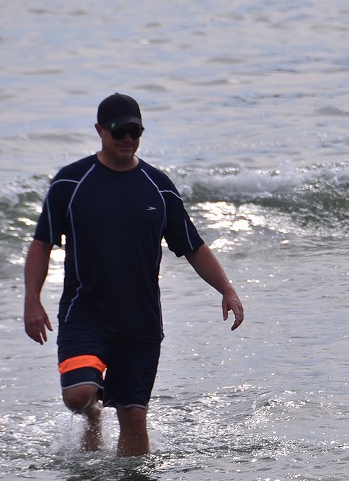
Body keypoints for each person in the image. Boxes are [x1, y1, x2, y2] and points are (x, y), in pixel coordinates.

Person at [23, 93, 244, 457]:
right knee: (79, 395)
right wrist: (32, 301)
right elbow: (41, 244)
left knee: (133, 415)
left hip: (139, 320)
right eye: (119, 131)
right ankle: (93, 413)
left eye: (134, 131)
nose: (127, 139)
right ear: (99, 131)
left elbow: (192, 246)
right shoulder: (71, 183)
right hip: (85, 312)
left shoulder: (158, 186)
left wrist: (227, 290)